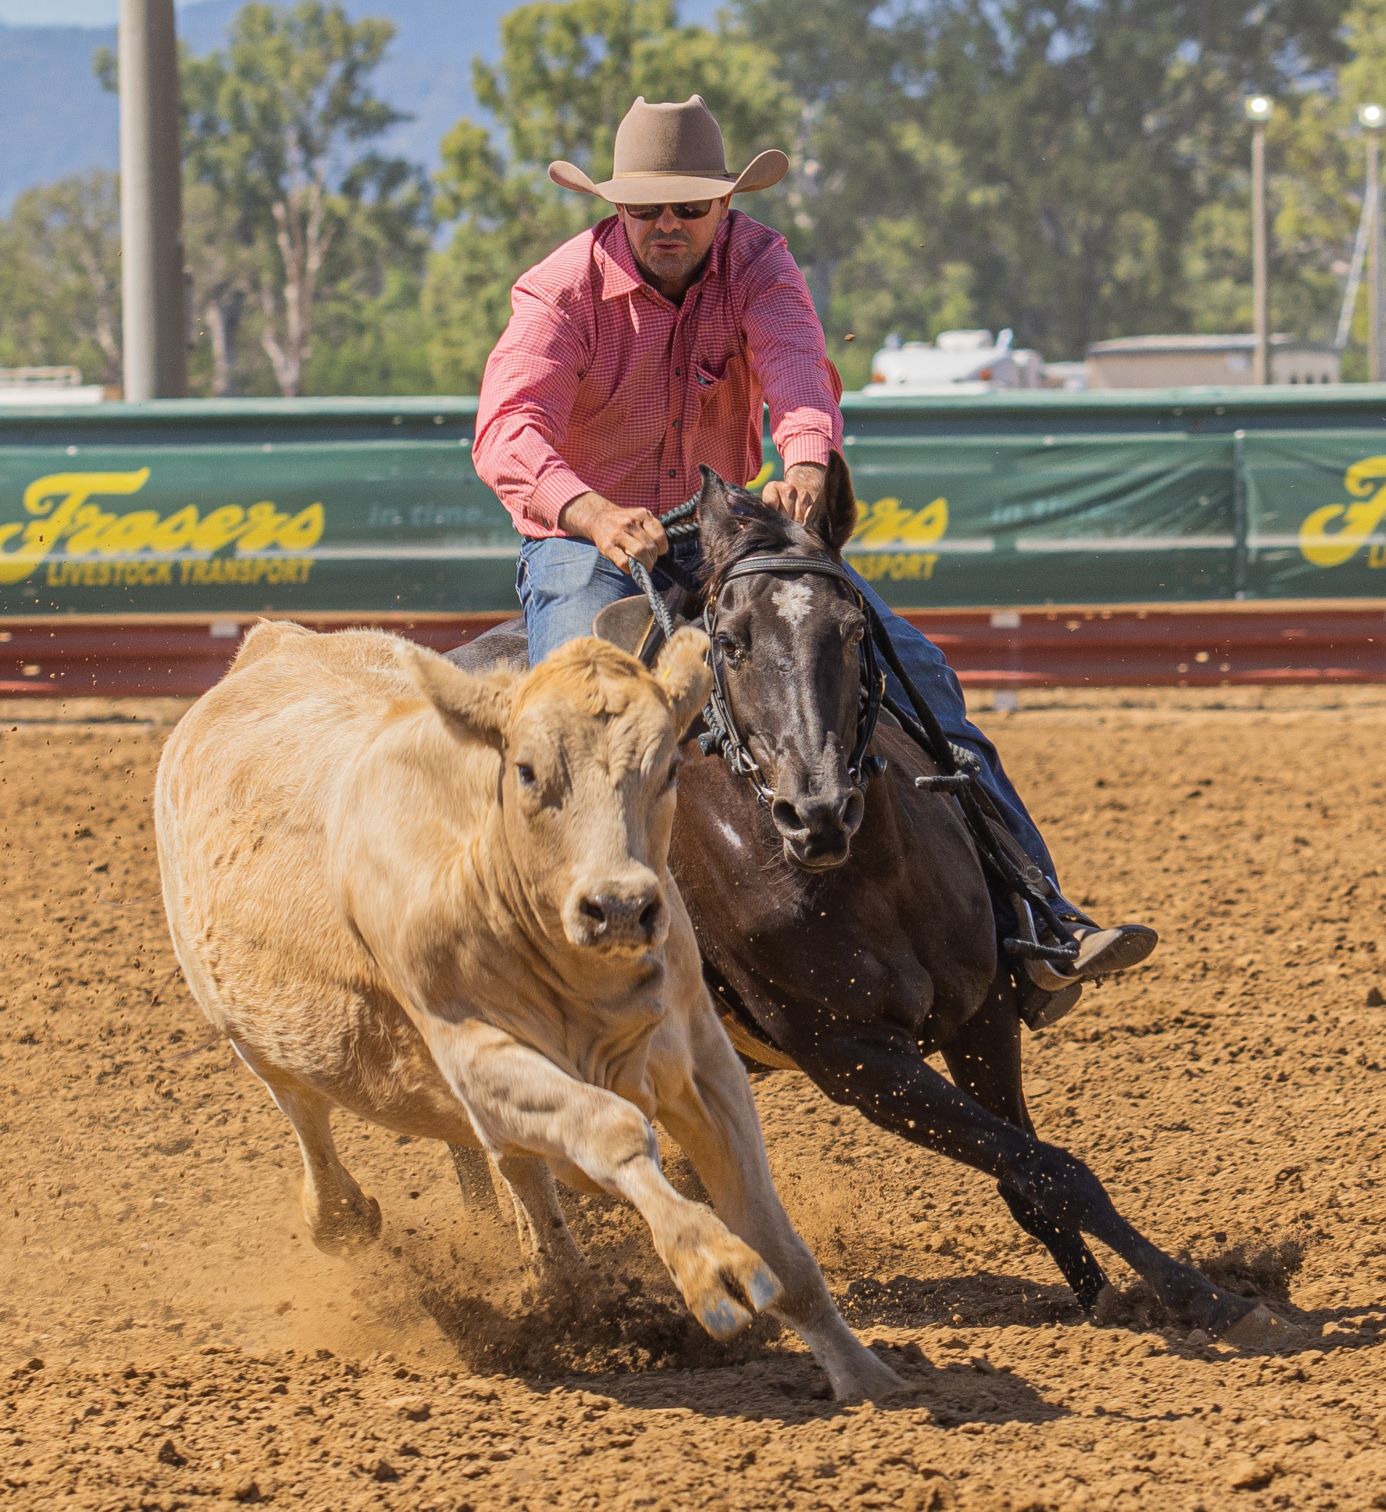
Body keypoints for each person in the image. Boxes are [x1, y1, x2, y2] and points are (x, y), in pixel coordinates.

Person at [472, 94, 1155, 1023]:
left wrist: (804, 462)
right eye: (645, 209)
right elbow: (509, 429)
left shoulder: (759, 263)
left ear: (723, 205)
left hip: (722, 531)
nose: (668, 224)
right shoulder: (560, 293)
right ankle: (558, 977)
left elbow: (798, 370)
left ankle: (1037, 916)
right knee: (577, 732)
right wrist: (590, 510)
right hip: (585, 544)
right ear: (616, 209)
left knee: (916, 672)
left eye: (689, 207)